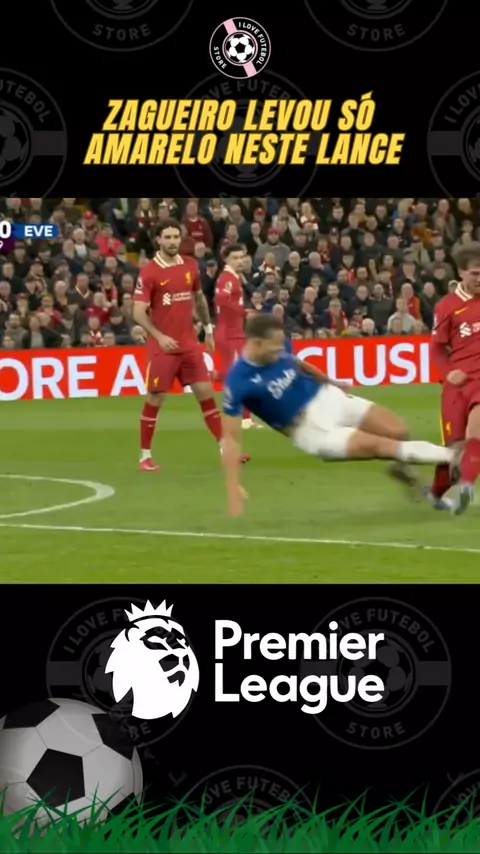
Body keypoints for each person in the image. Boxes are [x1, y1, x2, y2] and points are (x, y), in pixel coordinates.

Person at [221, 314, 456, 517]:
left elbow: (299, 364)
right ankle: (458, 457)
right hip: (311, 430)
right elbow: (230, 438)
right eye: (275, 348)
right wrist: (233, 487)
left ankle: (404, 471)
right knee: (382, 446)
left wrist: (331, 382)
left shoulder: (280, 349)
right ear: (257, 343)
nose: (280, 351)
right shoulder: (238, 382)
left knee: (398, 431)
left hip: (329, 398)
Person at [133, 218, 250, 471]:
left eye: (176, 237)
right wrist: (159, 336)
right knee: (155, 398)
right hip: (163, 348)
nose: (172, 241)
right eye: (168, 237)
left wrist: (207, 329)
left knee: (206, 394)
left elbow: (198, 298)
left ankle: (227, 450)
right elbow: (138, 312)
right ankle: (145, 457)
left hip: (189, 344)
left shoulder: (190, 265)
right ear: (158, 240)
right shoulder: (150, 272)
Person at [427, 244, 480, 515]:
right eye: (475, 273)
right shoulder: (447, 305)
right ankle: (436, 493)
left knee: (476, 434)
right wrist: (448, 372)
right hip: (457, 384)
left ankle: (467, 486)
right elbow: (436, 348)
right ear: (461, 273)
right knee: (455, 452)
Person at [214, 242, 261, 430]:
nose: (240, 261)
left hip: (235, 333)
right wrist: (244, 312)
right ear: (226, 260)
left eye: (241, 257)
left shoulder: (234, 277)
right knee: (241, 375)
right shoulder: (227, 278)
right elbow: (221, 299)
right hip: (229, 334)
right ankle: (206, 376)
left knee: (242, 374)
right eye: (235, 258)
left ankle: (246, 419)